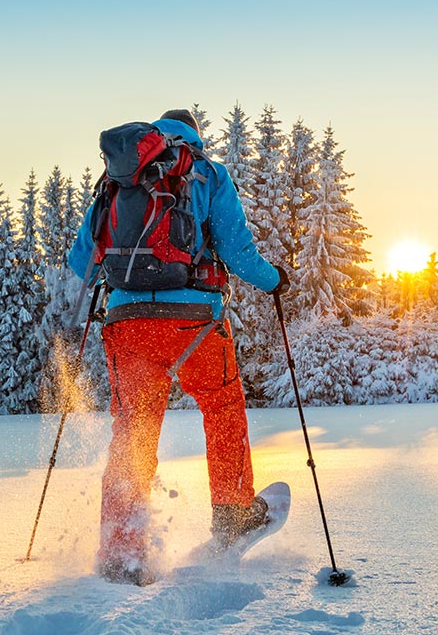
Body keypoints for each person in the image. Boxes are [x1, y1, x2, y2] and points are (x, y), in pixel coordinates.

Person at [67, 107, 289, 586]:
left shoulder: (117, 180)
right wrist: (274, 281)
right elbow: (236, 250)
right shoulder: (206, 173)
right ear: (194, 136)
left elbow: (81, 259)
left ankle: (121, 551)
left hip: (127, 325)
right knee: (222, 405)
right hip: (195, 323)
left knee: (133, 430)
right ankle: (232, 513)